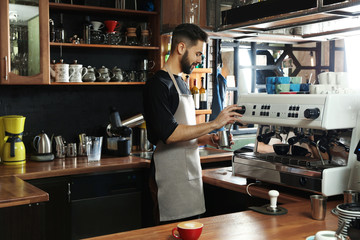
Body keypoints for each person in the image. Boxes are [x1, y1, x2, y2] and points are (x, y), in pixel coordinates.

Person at [143, 23, 242, 224]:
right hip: (168, 178)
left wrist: (209, 139)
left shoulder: (181, 82)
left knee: (192, 229)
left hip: (189, 176)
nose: (199, 59)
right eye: (197, 53)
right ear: (181, 48)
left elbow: (185, 135)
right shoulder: (158, 85)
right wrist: (214, 124)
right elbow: (170, 134)